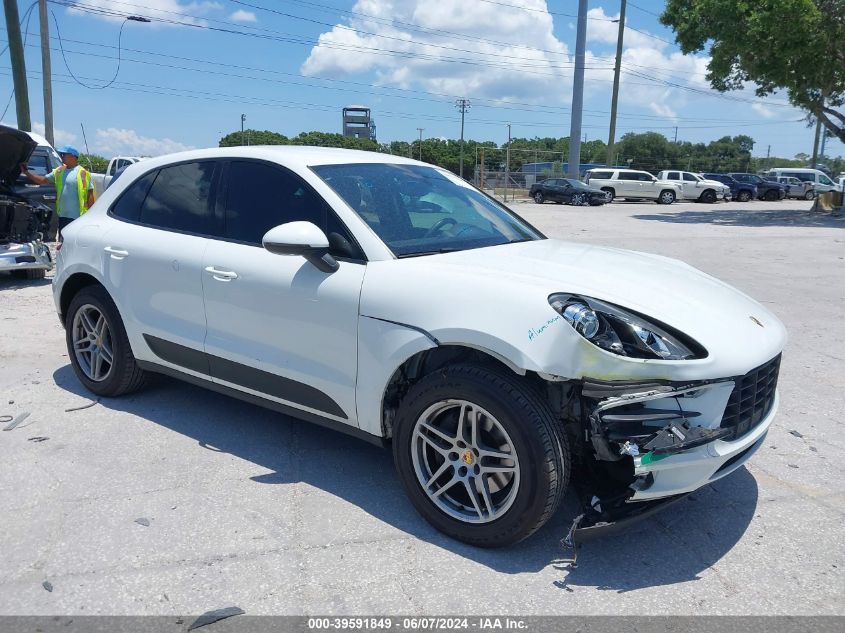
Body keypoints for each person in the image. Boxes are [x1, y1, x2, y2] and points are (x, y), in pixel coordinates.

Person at [20, 145, 94, 240]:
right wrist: (27, 172)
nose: (61, 156)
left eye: (64, 154)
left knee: (75, 242)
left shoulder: (83, 173)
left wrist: (90, 216)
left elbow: (90, 195)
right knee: (63, 243)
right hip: (63, 216)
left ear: (72, 156)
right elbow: (43, 180)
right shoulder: (59, 171)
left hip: (78, 217)